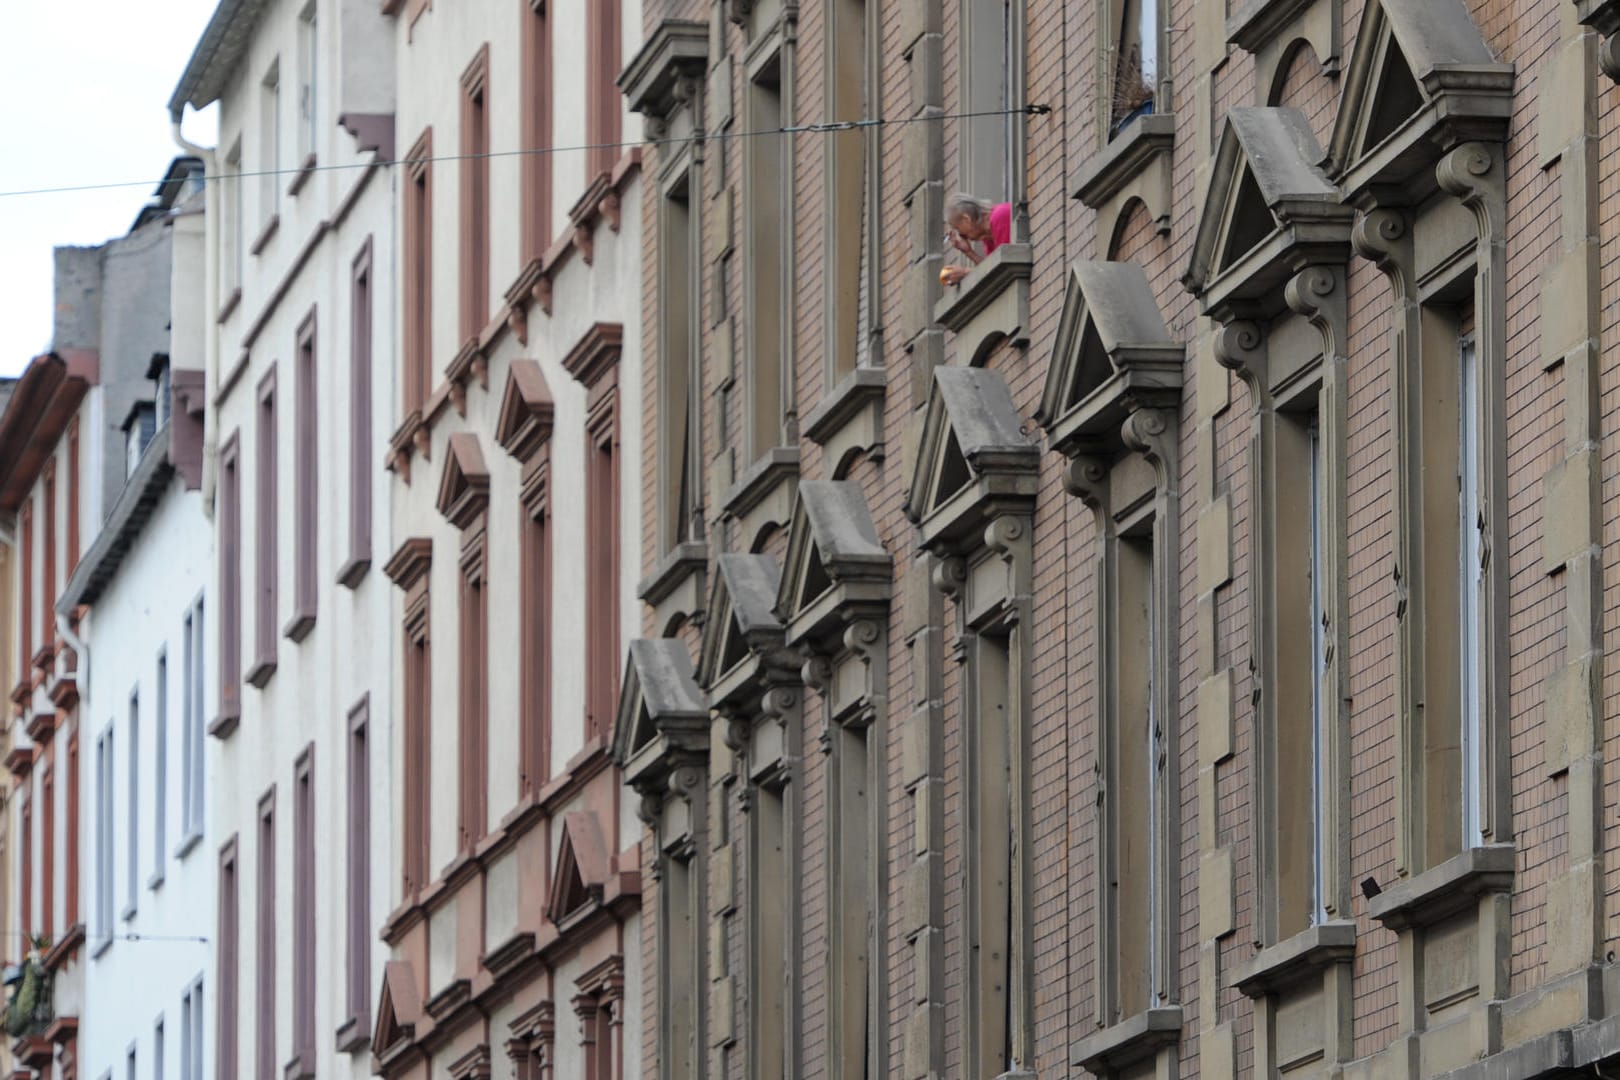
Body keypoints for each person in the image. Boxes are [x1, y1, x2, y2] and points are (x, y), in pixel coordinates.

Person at [941, 194, 1012, 286]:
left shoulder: (999, 217)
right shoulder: (987, 237)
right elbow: (990, 273)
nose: (960, 235)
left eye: (957, 228)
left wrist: (966, 272)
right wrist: (969, 252)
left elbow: (1003, 271)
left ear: (966, 219)